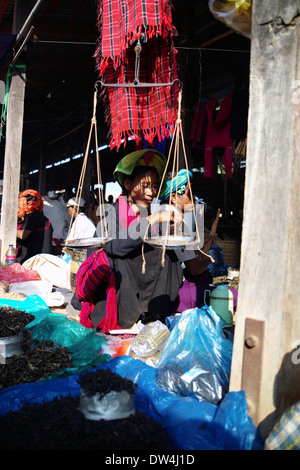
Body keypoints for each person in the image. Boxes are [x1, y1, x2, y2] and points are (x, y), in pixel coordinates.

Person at [74, 149, 184, 333]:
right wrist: (152, 219)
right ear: (128, 184)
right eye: (145, 186)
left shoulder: (149, 213)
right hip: (117, 280)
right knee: (116, 255)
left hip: (140, 275)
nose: (151, 192)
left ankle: (155, 313)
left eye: (154, 186)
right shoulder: (113, 213)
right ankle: (127, 316)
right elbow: (115, 247)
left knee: (169, 256)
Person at [160, 169, 217, 312]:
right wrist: (208, 256)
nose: (194, 199)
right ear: (173, 197)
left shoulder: (162, 212)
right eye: (189, 195)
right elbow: (194, 269)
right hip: (168, 291)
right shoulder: (176, 222)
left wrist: (201, 245)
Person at [16, 189, 53, 264]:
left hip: (39, 260)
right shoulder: (33, 217)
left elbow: (23, 235)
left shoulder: (36, 216)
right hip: (33, 258)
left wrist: (7, 229)